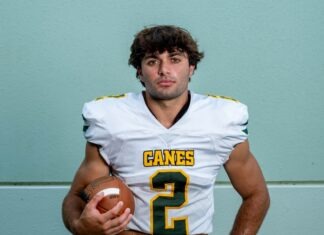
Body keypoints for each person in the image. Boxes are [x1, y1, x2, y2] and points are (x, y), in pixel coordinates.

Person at [62, 25, 270, 235]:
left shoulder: (221, 120)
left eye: (175, 59)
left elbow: (256, 194)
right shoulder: (112, 120)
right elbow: (77, 196)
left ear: (191, 68)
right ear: (139, 72)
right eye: (152, 61)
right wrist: (79, 226)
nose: (164, 70)